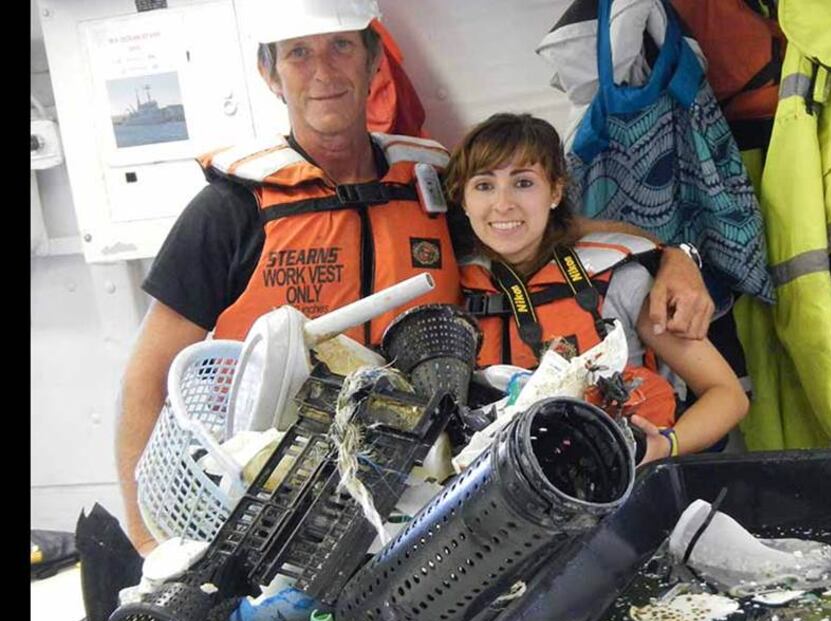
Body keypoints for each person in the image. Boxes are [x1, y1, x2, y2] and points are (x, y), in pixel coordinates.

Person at [115, 0, 714, 554]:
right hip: (276, 495)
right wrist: (147, 543)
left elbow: (531, 222)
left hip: (420, 492)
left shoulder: (427, 184)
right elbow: (149, 375)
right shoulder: (229, 210)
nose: (323, 70)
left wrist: (674, 255)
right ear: (271, 74)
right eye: (299, 52)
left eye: (342, 47)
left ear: (374, 60)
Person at [446, 113, 748, 464]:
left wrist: (663, 446)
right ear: (462, 200)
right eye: (484, 185)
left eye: (523, 183)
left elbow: (727, 395)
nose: (503, 204)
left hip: (621, 484)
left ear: (555, 191)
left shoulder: (619, 280)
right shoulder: (450, 293)